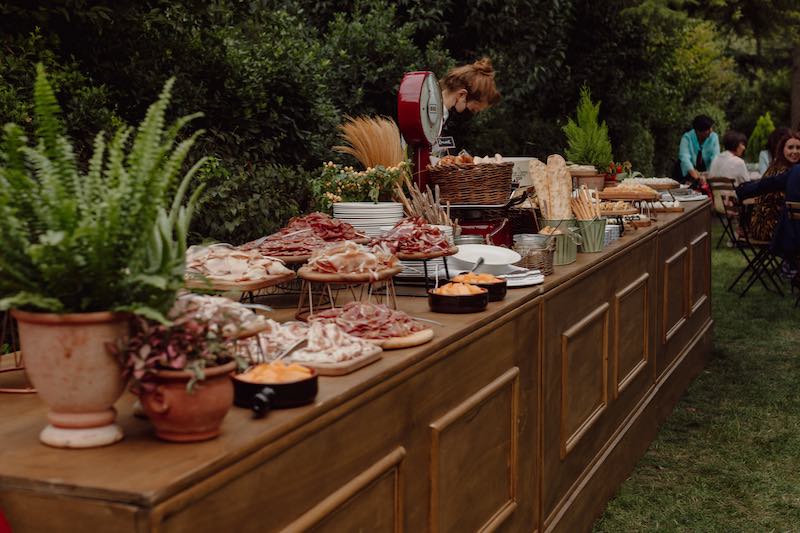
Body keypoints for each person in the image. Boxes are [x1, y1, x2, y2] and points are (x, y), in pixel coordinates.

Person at [737, 157, 800, 263]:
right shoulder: (794, 171)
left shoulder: (796, 171)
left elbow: (768, 184)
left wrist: (740, 191)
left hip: (791, 239)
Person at [748, 131, 800, 242]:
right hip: (772, 229)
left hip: (759, 227)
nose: (795, 151)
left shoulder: (776, 166)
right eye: (790, 147)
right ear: (782, 150)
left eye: (798, 147)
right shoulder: (785, 172)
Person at [675, 114, 720, 189]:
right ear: (699, 131)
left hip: (707, 171)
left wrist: (710, 174)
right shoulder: (687, 137)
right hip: (688, 172)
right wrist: (695, 175)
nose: (711, 131)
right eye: (708, 129)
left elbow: (715, 157)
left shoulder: (714, 137)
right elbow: (684, 157)